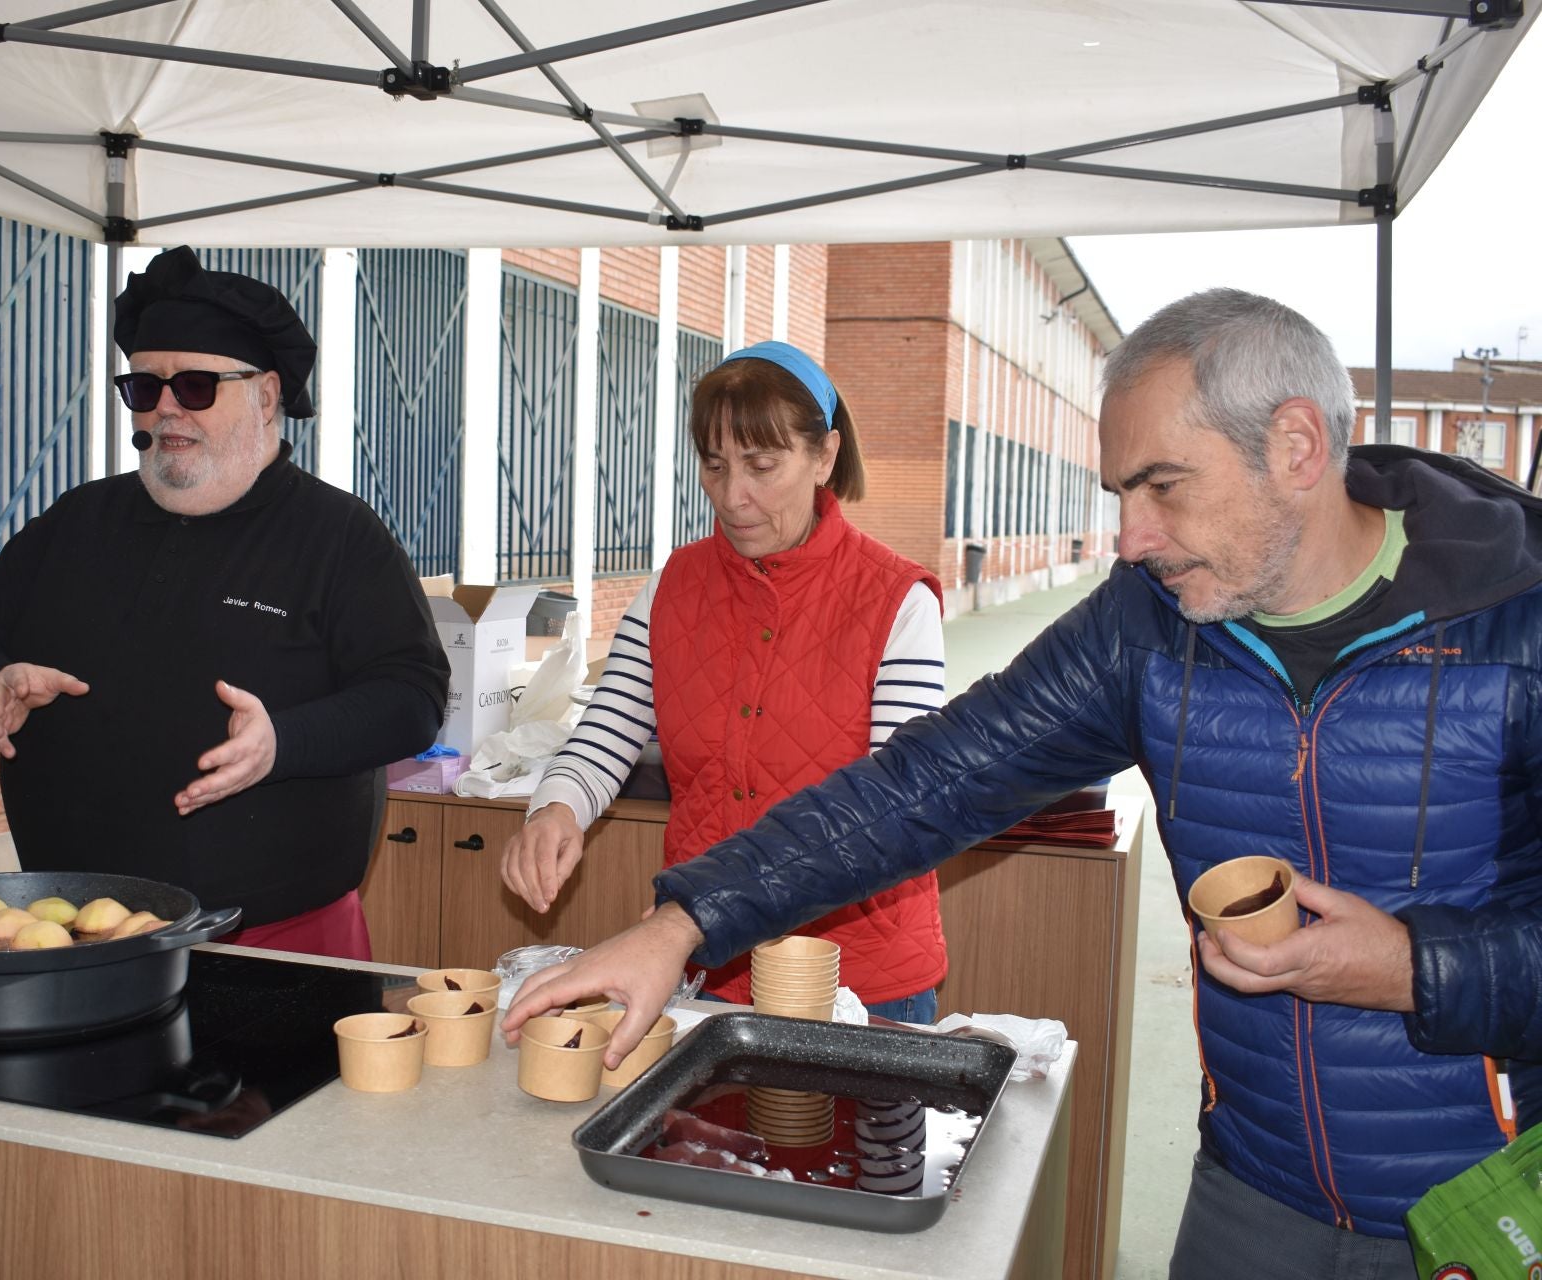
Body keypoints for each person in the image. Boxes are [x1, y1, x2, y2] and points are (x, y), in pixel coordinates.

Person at [503, 289, 1542, 1278]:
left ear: (1297, 448)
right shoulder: (1147, 625)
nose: (1130, 537)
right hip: (1253, 1188)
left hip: (1493, 1191)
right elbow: (920, 784)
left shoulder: (1517, 622)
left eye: (1163, 486)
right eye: (1122, 493)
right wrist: (686, 920)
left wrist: (1414, 965)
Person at [0, 246, 449, 961]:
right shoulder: (78, 521)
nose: (165, 407)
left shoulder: (337, 536)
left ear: (265, 396)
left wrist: (281, 742)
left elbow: (412, 697)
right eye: (144, 387)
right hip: (68, 931)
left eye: (195, 386)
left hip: (273, 940)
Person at [498, 341, 949, 1023]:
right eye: (715, 466)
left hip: (860, 976)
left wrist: (710, 908)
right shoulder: (671, 589)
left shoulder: (898, 601)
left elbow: (895, 810)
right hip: (710, 966)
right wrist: (556, 809)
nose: (733, 497)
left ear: (824, 456)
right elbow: (605, 736)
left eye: (762, 467)